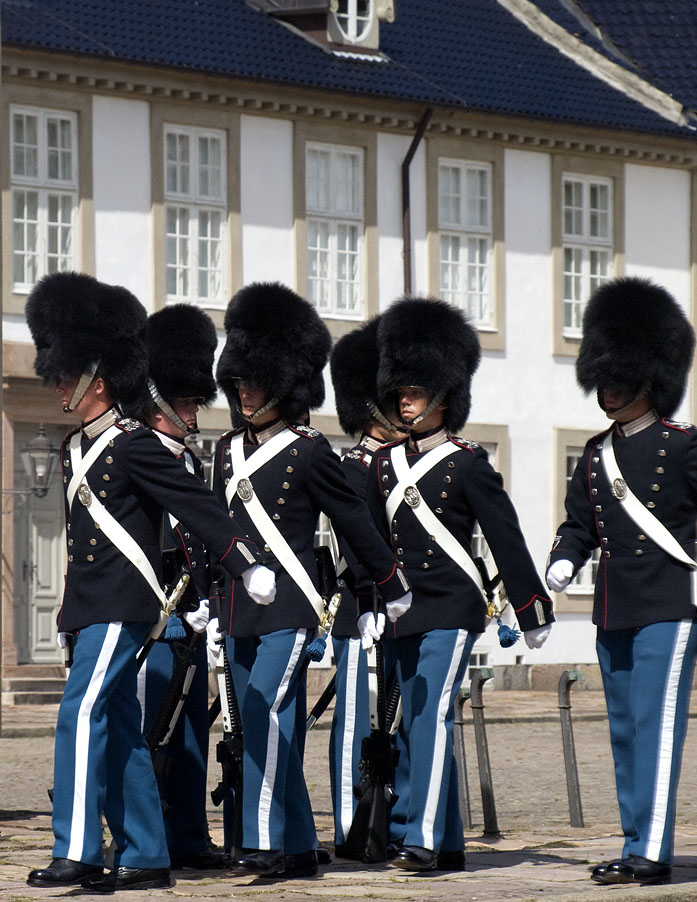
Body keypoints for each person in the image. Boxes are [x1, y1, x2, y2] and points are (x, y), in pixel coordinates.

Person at [24, 272, 275, 892]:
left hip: (126, 604)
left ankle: (78, 848)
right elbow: (82, 547)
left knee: (79, 715)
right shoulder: (72, 448)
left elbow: (198, 506)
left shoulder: (135, 446)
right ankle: (145, 853)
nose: (56, 381)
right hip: (91, 606)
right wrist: (64, 620)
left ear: (98, 381)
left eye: (66, 371)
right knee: (118, 728)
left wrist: (245, 562)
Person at [211, 282, 412, 879]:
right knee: (259, 723)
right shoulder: (223, 451)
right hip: (238, 609)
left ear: (285, 384)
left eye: (256, 381)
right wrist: (202, 598)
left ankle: (264, 839)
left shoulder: (308, 450)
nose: (245, 392)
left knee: (261, 709)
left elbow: (354, 523)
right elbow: (212, 532)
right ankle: (299, 846)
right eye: (239, 381)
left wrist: (385, 586)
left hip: (292, 607)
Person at [367, 296, 554, 872]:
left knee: (430, 715)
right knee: (403, 723)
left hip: (450, 607)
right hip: (400, 611)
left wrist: (531, 607)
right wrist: (372, 601)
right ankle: (445, 842)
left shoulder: (468, 463)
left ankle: (416, 837)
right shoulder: (382, 465)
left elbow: (506, 538)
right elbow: (372, 541)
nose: (404, 400)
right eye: (401, 391)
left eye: (416, 392)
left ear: (443, 397)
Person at [546, 277, 697, 886]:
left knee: (656, 727)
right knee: (625, 731)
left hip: (668, 601)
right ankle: (636, 840)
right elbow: (578, 523)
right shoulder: (594, 455)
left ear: (648, 377)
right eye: (601, 378)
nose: (606, 389)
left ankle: (652, 851)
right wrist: (563, 557)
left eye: (617, 377)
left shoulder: (683, 448)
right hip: (614, 607)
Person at [128, 303, 227, 870]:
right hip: (154, 617)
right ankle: (147, 835)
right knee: (148, 732)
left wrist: (206, 603)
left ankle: (190, 835)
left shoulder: (187, 460)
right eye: (187, 401)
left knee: (189, 730)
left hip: (189, 616)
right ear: (159, 401)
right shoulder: (139, 454)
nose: (193, 410)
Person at [328, 317, 406, 856]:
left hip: (407, 607)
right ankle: (347, 824)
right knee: (355, 719)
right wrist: (371, 599)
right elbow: (355, 541)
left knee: (399, 715)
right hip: (361, 607)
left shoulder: (408, 463)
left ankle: (396, 823)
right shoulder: (352, 466)